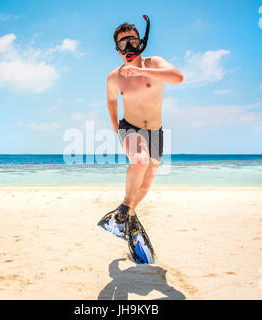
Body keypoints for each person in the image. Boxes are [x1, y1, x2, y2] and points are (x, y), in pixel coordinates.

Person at [106, 17, 183, 239]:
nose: (128, 47)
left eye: (132, 41)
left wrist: (143, 72)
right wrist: (118, 132)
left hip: (155, 132)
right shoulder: (114, 77)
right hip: (129, 128)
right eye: (122, 44)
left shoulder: (154, 64)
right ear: (117, 49)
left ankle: (130, 214)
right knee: (139, 159)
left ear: (141, 42)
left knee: (146, 183)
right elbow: (111, 104)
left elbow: (178, 77)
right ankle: (123, 207)